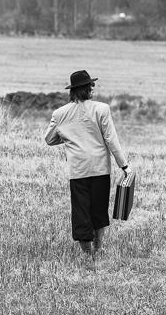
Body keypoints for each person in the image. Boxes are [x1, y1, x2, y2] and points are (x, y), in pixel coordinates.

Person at [44, 70, 133, 256]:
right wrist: (124, 165)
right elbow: (111, 140)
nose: (92, 88)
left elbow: (50, 139)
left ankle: (86, 253)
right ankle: (98, 249)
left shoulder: (60, 113)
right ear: (84, 89)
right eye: (90, 85)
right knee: (99, 210)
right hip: (100, 168)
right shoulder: (102, 109)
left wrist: (70, 138)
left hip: (78, 170)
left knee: (81, 211)